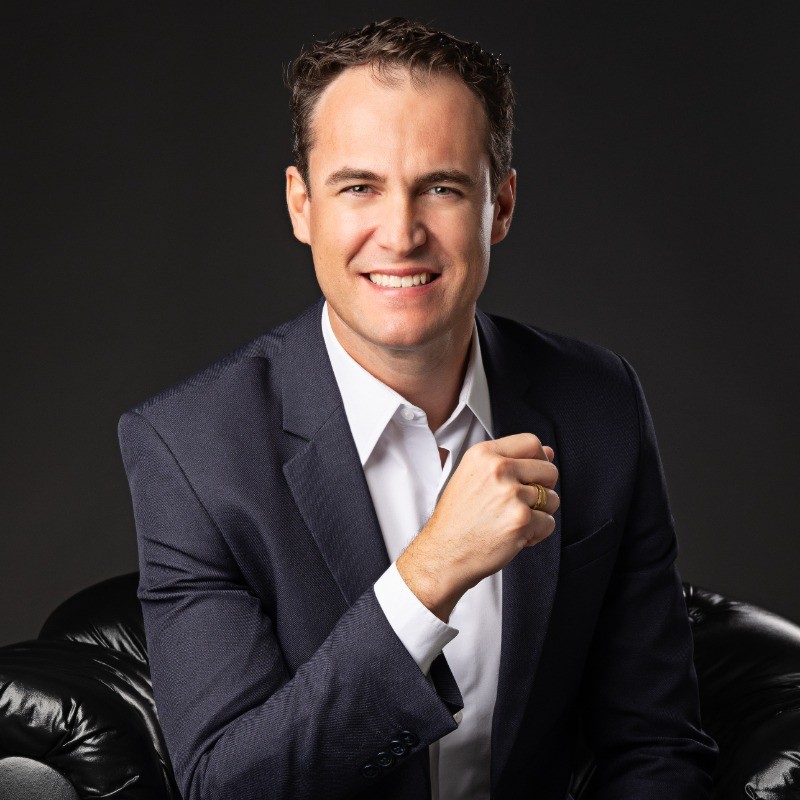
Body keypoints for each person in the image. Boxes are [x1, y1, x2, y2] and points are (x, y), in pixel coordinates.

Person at [118, 17, 717, 800]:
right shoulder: (189, 448)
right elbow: (227, 784)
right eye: (358, 187)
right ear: (301, 205)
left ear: (500, 206)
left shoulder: (599, 402)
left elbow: (657, 743)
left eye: (441, 187)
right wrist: (429, 574)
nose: (400, 235)